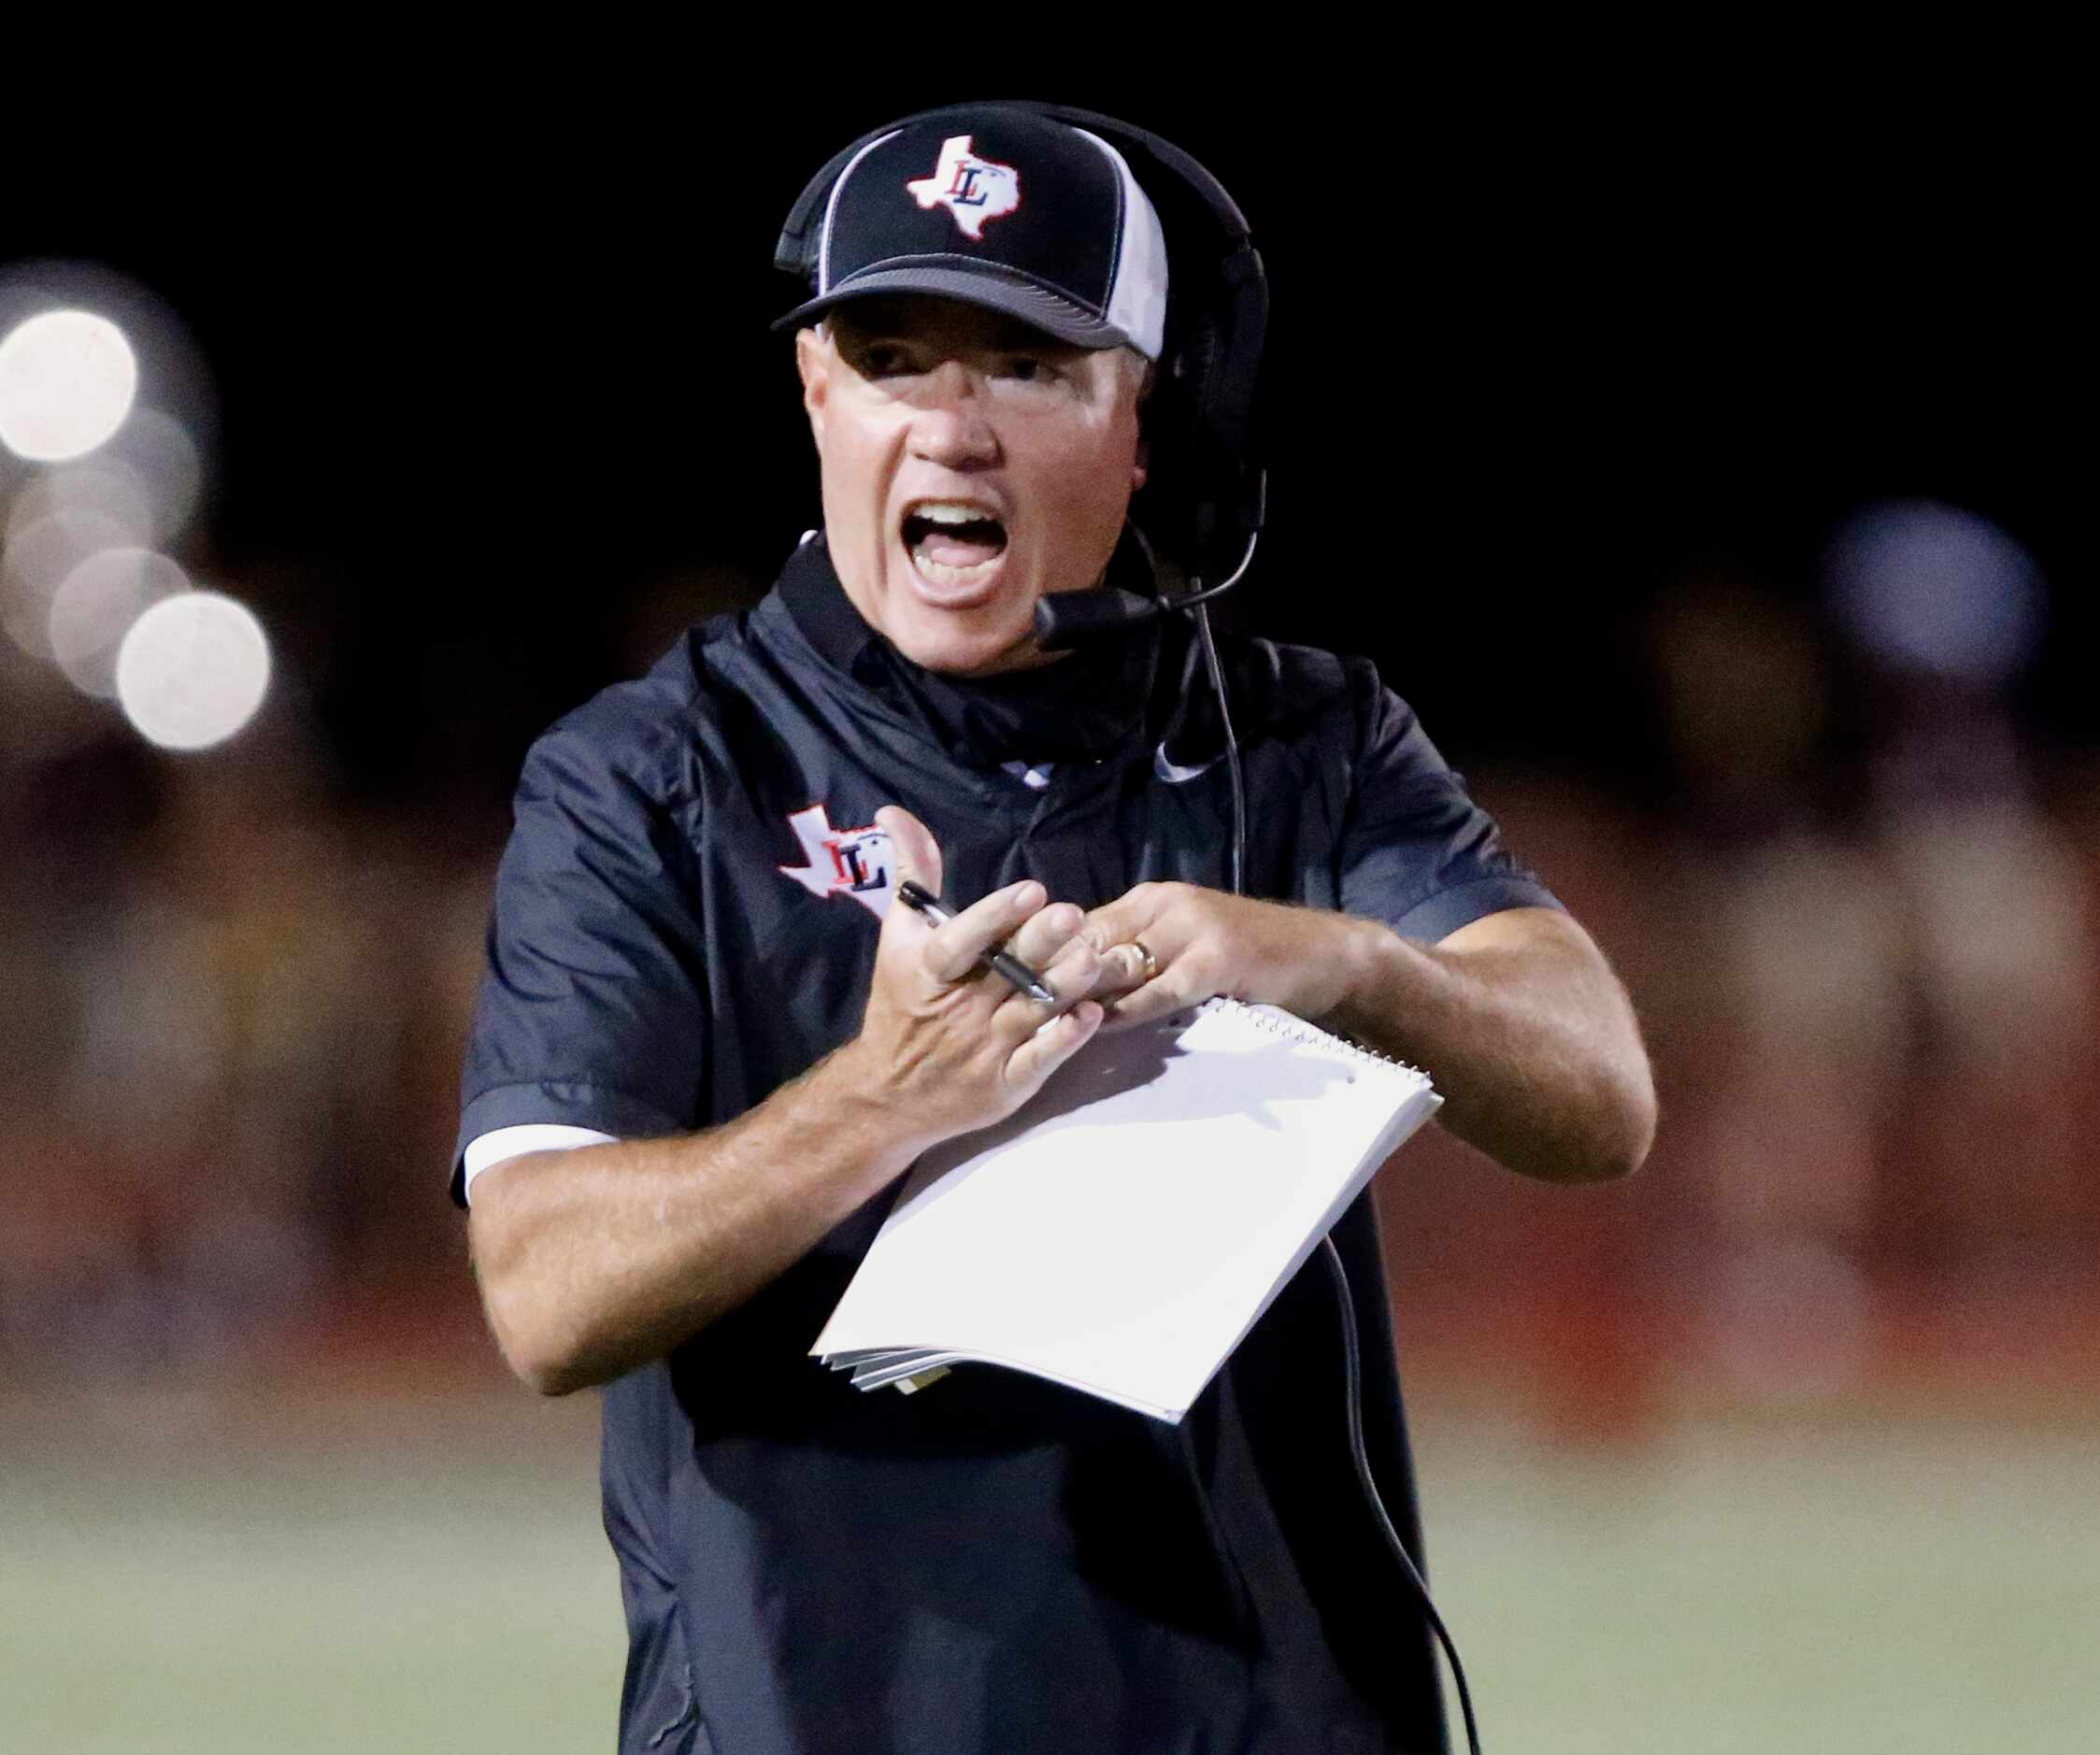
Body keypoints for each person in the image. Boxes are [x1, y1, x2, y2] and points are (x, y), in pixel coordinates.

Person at [455, 102, 1655, 1755]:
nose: (951, 427)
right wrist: (886, 1098)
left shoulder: (1300, 736)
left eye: (1026, 364)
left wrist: (1357, 967)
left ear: (1147, 418)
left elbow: (1600, 1097)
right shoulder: (651, 775)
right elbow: (543, 1292)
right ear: (815, 388)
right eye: (891, 355)